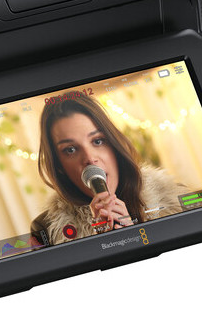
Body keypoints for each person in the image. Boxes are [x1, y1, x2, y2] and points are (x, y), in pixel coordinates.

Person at [30, 95, 187, 246]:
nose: (90, 158)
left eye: (98, 141)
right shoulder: (44, 230)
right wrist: (101, 242)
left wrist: (134, 236)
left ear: (114, 146)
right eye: (70, 150)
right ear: (59, 166)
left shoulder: (174, 198)